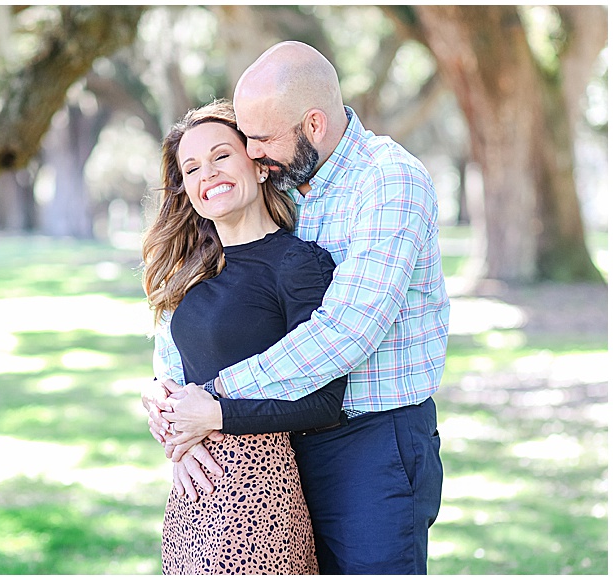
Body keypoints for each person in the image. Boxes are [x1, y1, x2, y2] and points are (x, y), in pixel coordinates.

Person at [146, 41, 450, 575]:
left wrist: (211, 402)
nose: (252, 153)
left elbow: (344, 333)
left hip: (371, 442)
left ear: (312, 125)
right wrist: (171, 408)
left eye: (260, 139)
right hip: (273, 448)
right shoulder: (290, 187)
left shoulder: (387, 182)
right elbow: (210, 317)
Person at [141, 99, 349, 574]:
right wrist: (160, 404)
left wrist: (214, 413)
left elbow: (323, 405)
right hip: (191, 493)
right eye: (191, 168)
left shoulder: (297, 265)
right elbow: (179, 368)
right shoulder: (191, 273)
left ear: (256, 168)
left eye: (221, 156)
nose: (207, 174)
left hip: (257, 496)